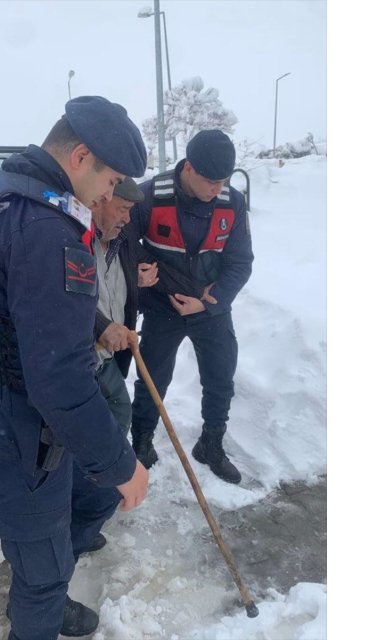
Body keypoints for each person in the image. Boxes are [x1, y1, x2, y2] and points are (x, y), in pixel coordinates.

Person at [0, 96, 150, 640]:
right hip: (20, 429)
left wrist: (92, 324)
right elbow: (60, 381)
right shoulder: (45, 229)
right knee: (40, 569)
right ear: (81, 156)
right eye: (112, 181)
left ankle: (46, 586)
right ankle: (38, 608)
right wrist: (121, 463)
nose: (112, 195)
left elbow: (12, 293)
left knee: (78, 508)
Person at [127, 129, 254, 484]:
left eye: (224, 180)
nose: (218, 188)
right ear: (188, 169)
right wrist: (138, 268)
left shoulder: (232, 203)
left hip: (210, 308)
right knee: (152, 378)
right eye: (211, 181)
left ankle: (211, 443)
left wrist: (209, 303)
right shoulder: (150, 195)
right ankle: (141, 442)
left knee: (220, 377)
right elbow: (122, 238)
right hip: (161, 308)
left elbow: (241, 262)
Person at [87, 177, 157, 436]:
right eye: (123, 209)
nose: (128, 219)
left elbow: (146, 260)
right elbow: (61, 300)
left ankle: (110, 471)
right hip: (81, 360)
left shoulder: (121, 238)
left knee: (118, 412)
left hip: (107, 358)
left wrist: (140, 275)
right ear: (98, 202)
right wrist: (102, 326)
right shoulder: (73, 240)